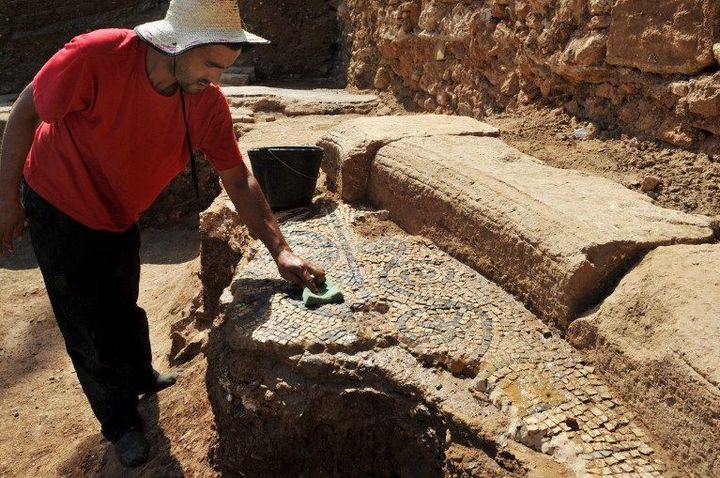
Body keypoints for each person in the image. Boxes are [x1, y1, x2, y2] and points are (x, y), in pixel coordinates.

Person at [0, 0, 325, 468]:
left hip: (118, 211)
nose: (216, 80)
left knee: (122, 298)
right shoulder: (98, 56)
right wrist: (8, 197)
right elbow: (28, 107)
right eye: (211, 64)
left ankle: (139, 375)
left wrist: (282, 251)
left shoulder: (206, 102)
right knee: (86, 321)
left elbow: (237, 177)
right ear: (176, 45)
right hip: (58, 200)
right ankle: (120, 423)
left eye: (225, 68)